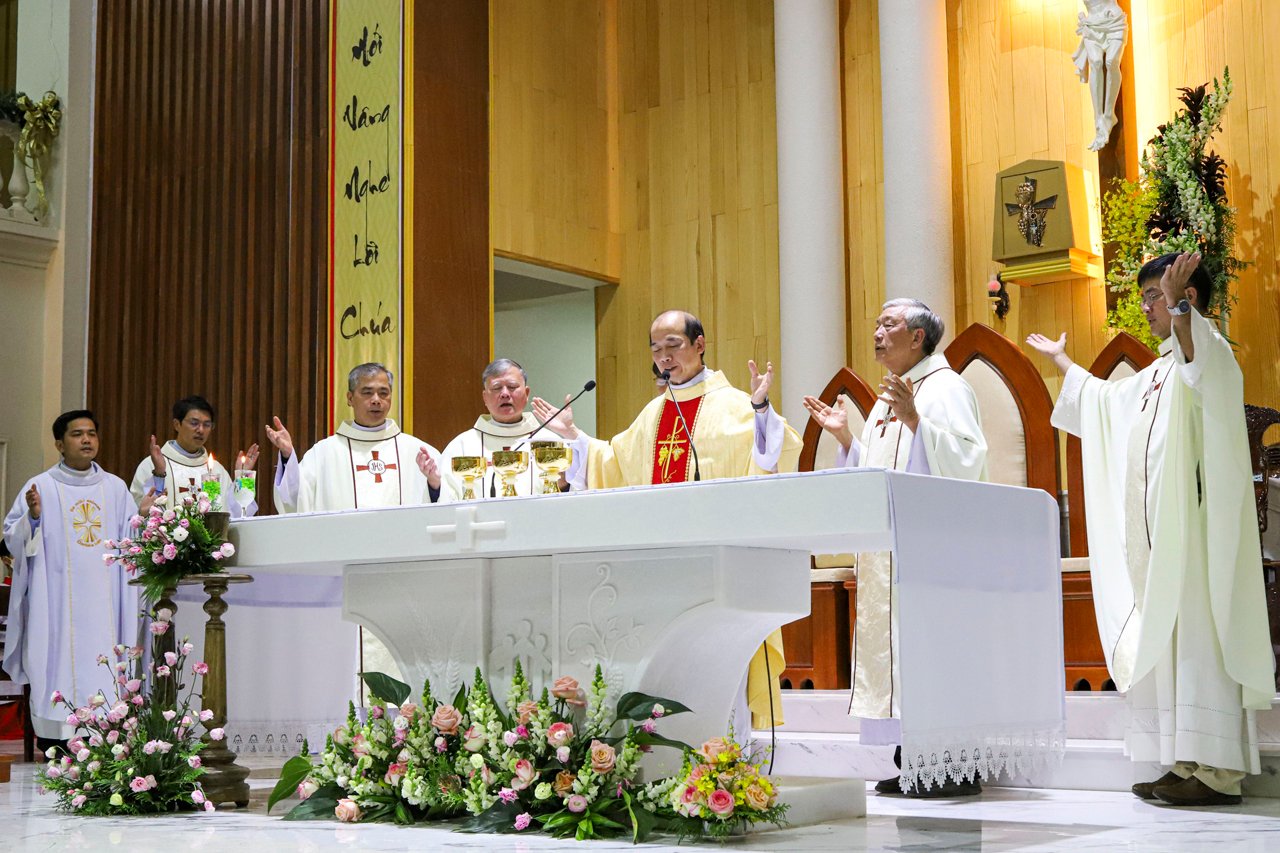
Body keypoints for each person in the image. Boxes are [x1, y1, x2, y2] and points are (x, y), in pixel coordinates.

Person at [1028, 251, 1273, 807]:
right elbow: (1103, 403)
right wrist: (1064, 363)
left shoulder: (1208, 350)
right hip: (1156, 541)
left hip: (1195, 540)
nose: (1146, 308)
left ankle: (1217, 772)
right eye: (1144, 298)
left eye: (1154, 297)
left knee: (1198, 645)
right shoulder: (1154, 374)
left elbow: (1198, 358)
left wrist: (1182, 308)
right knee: (1166, 647)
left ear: (1188, 298)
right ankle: (1183, 762)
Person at [531, 309, 803, 729]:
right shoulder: (654, 413)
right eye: (656, 349)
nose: (664, 357)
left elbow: (772, 458)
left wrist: (762, 409)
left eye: (673, 345)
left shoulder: (734, 405)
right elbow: (613, 463)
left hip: (720, 565)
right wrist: (574, 437)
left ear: (700, 344)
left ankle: (730, 753)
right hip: (664, 569)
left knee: (722, 665)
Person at [804, 297, 988, 797]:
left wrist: (917, 422)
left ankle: (953, 763)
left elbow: (967, 460)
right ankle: (914, 757)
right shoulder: (893, 395)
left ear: (918, 337)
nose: (877, 334)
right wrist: (848, 440)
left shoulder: (946, 388)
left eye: (889, 325)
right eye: (877, 324)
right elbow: (883, 468)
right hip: (889, 551)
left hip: (932, 553)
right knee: (902, 654)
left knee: (933, 649)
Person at [2, 410, 141, 750]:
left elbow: (131, 540)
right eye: (77, 434)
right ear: (59, 444)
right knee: (55, 662)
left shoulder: (115, 488)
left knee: (106, 664)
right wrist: (33, 518)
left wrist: (143, 515)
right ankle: (56, 741)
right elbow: (11, 540)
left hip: (106, 602)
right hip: (55, 603)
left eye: (91, 433)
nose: (86, 440)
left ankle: (106, 736)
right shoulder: (40, 486)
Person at [267, 363, 446, 513]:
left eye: (384, 393)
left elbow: (446, 503)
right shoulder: (324, 453)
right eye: (367, 392)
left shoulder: (418, 452)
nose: (376, 400)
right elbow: (294, 500)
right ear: (350, 398)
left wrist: (434, 485)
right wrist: (287, 456)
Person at [128, 395, 258, 518]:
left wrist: (243, 478)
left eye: (207, 425)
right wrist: (158, 475)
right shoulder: (152, 465)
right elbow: (138, 514)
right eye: (194, 423)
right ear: (177, 424)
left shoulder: (217, 470)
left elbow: (235, 515)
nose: (201, 430)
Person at [440, 358, 546, 500]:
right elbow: (446, 500)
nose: (505, 394)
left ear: (526, 393)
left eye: (512, 387)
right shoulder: (461, 446)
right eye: (497, 388)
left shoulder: (549, 442)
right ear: (485, 397)